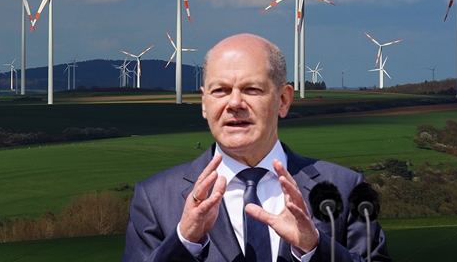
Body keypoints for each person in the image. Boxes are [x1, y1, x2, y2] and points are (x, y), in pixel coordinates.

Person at [122, 33, 391, 262]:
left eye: (251, 89)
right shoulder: (156, 199)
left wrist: (314, 248)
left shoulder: (345, 187)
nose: (234, 103)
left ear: (283, 100)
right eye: (220, 90)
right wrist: (184, 242)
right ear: (204, 103)